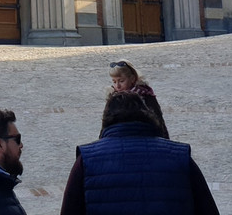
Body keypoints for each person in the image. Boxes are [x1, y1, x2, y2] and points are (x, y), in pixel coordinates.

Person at [59, 90, 220, 215]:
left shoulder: (86, 160)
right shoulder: (180, 157)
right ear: (147, 116)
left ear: (106, 120)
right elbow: (208, 210)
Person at [108, 60, 168, 138]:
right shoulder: (113, 98)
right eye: (114, 82)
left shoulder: (146, 96)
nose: (117, 86)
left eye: (121, 81)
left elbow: (159, 121)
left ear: (132, 79)